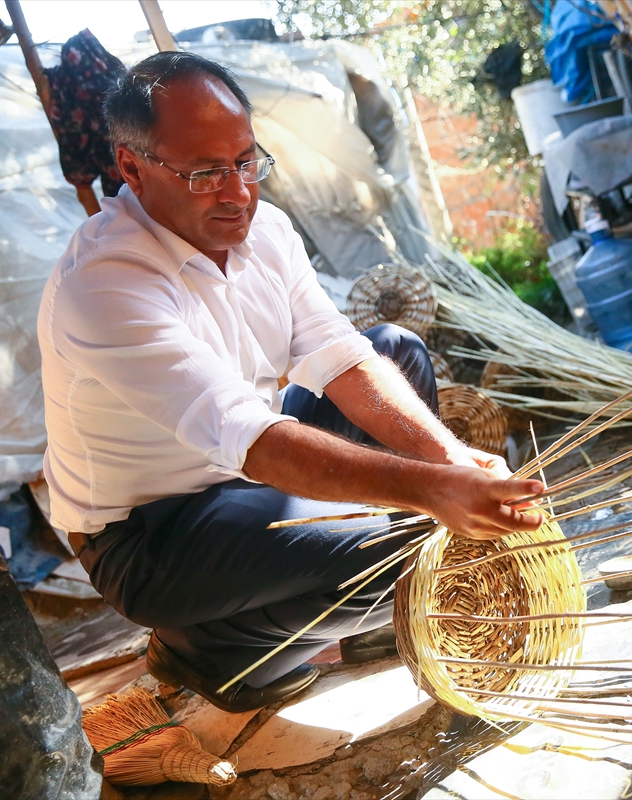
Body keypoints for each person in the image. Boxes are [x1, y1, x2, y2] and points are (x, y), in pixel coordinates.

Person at [37, 51, 546, 714]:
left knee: (398, 352)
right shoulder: (103, 284)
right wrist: (432, 491)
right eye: (205, 172)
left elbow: (339, 357)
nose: (237, 191)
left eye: (246, 161)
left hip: (246, 478)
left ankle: (363, 615)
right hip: (151, 534)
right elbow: (251, 437)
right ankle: (211, 649)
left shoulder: (266, 230)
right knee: (394, 543)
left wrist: (446, 458)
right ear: (131, 167)